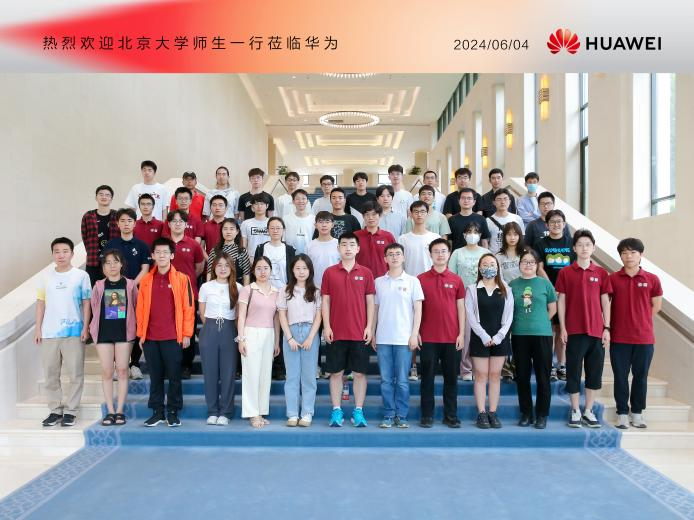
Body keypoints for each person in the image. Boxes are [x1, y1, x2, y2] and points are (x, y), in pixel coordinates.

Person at [556, 229, 612, 428]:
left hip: (596, 331)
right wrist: (563, 328)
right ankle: (575, 410)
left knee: (594, 373)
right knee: (573, 371)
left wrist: (607, 328)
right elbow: (561, 301)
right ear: (574, 248)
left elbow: (605, 302)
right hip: (574, 330)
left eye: (588, 244)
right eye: (580, 245)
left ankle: (588, 410)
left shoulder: (601, 273)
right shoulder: (565, 272)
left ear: (593, 248)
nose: (584, 248)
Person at [136, 238, 195, 428]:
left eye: (165, 252)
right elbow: (140, 310)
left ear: (172, 255)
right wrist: (141, 335)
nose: (161, 256)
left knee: (174, 377)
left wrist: (186, 333)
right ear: (152, 255)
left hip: (173, 337)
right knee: (155, 377)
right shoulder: (146, 280)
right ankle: (157, 412)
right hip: (151, 337)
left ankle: (173, 411)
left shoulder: (182, 279)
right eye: (158, 252)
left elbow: (188, 307)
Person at [35, 237, 91, 427]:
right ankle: (55, 410)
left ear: (72, 254)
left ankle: (71, 411)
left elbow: (86, 303)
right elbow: (41, 304)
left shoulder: (81, 276)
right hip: (49, 333)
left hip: (74, 332)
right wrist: (38, 329)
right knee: (51, 374)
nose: (61, 255)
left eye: (65, 251)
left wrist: (85, 327)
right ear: (53, 254)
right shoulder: (45, 277)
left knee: (75, 374)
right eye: (57, 251)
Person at [322, 233, 376, 427]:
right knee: (336, 373)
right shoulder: (329, 272)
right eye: (344, 244)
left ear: (358, 249)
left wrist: (369, 326)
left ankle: (358, 411)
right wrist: (327, 326)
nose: (347, 248)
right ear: (338, 248)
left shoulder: (366, 273)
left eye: (352, 244)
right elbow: (325, 301)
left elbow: (370, 302)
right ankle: (336, 410)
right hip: (336, 332)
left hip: (359, 332)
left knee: (360, 373)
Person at [609, 238, 663, 429]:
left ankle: (637, 413)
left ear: (641, 255)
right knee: (620, 376)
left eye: (632, 252)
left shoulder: (652, 279)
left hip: (644, 338)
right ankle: (622, 413)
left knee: (641, 376)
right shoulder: (612, 279)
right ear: (620, 256)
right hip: (619, 337)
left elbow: (657, 306)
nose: (628, 256)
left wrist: (641, 320)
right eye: (624, 253)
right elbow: (605, 304)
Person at [372, 243, 424, 428]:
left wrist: (414, 334)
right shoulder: (379, 282)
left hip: (404, 338)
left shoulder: (412, 281)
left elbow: (418, 309)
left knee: (402, 381)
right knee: (386, 380)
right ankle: (388, 414)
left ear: (403, 257)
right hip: (383, 338)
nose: (394, 257)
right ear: (385, 259)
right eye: (390, 254)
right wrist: (372, 332)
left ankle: (402, 415)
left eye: (398, 254)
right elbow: (375, 309)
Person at [418, 238, 466, 428]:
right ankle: (427, 415)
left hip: (452, 338)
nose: (440, 254)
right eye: (436, 251)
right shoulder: (420, 279)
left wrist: (461, 334)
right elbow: (416, 309)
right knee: (427, 379)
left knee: (451, 380)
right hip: (428, 338)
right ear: (430, 254)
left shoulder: (456, 279)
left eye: (443, 251)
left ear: (449, 254)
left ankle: (450, 416)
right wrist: (417, 331)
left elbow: (461, 308)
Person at [89, 250, 138, 426]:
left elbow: (136, 305)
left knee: (123, 370)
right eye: (108, 263)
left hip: (124, 333)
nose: (112, 266)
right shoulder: (98, 286)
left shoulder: (130, 285)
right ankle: (110, 411)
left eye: (115, 262)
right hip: (103, 333)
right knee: (107, 371)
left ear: (121, 264)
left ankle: (120, 411)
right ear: (103, 267)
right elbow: (94, 307)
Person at [509, 249, 557, 429]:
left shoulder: (545, 284)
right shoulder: (512, 285)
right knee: (522, 376)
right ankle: (526, 413)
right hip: (519, 335)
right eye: (524, 261)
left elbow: (552, 309)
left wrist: (540, 321)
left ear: (537, 265)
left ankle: (542, 415)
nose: (528, 265)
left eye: (531, 262)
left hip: (542, 335)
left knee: (543, 376)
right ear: (519, 264)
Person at [465, 254, 514, 429]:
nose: (488, 267)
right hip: (480, 338)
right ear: (479, 268)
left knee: (494, 375)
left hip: (500, 338)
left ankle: (493, 412)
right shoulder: (472, 289)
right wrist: (484, 336)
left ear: (497, 267)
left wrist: (500, 336)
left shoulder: (506, 289)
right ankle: (481, 413)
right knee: (480, 375)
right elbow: (470, 316)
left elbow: (509, 316)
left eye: (492, 264)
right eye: (485, 264)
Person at [277, 255, 322, 427]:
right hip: (291, 332)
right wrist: (289, 338)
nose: (301, 272)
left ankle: (307, 413)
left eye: (304, 268)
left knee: (309, 376)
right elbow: (282, 315)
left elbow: (319, 316)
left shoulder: (316, 291)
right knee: (292, 376)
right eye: (297, 268)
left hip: (311, 332)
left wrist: (311, 337)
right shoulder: (285, 291)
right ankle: (292, 413)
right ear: (292, 270)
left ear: (310, 270)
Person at [237, 257, 281, 428]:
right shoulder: (248, 290)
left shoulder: (277, 292)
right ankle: (252, 413)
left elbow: (276, 319)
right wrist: (241, 339)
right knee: (251, 374)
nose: (262, 272)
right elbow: (241, 316)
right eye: (259, 268)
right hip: (251, 333)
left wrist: (276, 341)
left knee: (265, 375)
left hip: (269, 334)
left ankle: (261, 411)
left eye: (266, 268)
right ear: (253, 271)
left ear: (271, 270)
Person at [198, 253, 242, 426]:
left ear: (231, 268)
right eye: (219, 265)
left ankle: (226, 412)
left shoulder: (238, 287)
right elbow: (202, 313)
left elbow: (238, 315)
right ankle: (212, 411)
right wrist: (212, 327)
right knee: (210, 373)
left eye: (226, 265)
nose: (223, 269)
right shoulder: (206, 287)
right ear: (214, 268)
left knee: (228, 373)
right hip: (209, 329)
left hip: (229, 330)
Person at [534, 209, 576, 382]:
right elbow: (539, 268)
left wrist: (563, 288)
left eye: (559, 221)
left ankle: (562, 365)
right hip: (547, 292)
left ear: (564, 224)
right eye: (552, 222)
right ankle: (550, 365)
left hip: (567, 293)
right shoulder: (540, 243)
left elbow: (575, 268)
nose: (556, 224)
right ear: (547, 225)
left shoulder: (572, 243)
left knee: (562, 329)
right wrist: (552, 288)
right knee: (549, 329)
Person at [449, 222, 492, 381]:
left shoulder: (486, 252)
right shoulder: (457, 253)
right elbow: (452, 276)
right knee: (466, 334)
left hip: (484, 296)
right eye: (469, 231)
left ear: (480, 235)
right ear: (464, 235)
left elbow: (493, 274)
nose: (472, 234)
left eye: (475, 231)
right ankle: (466, 369)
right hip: (463, 298)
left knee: (483, 333)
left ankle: (480, 368)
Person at [166, 210, 205, 380]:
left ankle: (186, 365)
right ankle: (170, 365)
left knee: (187, 330)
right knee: (169, 330)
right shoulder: (163, 244)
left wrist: (185, 282)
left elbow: (199, 267)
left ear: (185, 224)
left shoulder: (193, 244)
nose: (177, 224)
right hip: (166, 294)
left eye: (181, 221)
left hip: (189, 294)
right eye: (174, 221)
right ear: (169, 224)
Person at [81, 185, 119, 286]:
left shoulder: (117, 215)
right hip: (93, 261)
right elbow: (85, 237)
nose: (104, 197)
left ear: (111, 198)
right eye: (101, 194)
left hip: (113, 262)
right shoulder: (88, 216)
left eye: (107, 195)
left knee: (113, 291)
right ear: (96, 197)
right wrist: (91, 252)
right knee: (93, 290)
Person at [103, 208, 151, 286]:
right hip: (115, 288)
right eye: (122, 221)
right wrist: (118, 284)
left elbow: (145, 269)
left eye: (129, 221)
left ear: (134, 224)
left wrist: (132, 285)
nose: (126, 224)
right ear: (118, 224)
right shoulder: (110, 245)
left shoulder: (142, 245)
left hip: (137, 288)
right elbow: (105, 267)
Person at [398, 201, 440, 277]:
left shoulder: (436, 238)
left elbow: (439, 261)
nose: (419, 215)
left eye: (422, 211)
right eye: (416, 212)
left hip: (431, 279)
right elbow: (400, 263)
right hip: (410, 279)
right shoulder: (402, 239)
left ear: (427, 214)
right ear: (411, 214)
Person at [355, 201, 395, 277]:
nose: (370, 218)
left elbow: (394, 259)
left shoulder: (388, 236)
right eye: (367, 214)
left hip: (383, 278)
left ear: (380, 215)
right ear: (363, 216)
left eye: (374, 214)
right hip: (360, 278)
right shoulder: (355, 236)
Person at [206, 218, 251, 286]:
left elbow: (246, 275)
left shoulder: (242, 251)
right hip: (218, 287)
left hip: (237, 287)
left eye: (231, 229)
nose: (228, 232)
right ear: (221, 231)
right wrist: (208, 288)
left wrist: (245, 291)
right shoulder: (214, 251)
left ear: (237, 231)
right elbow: (209, 272)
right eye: (225, 229)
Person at [486, 189, 525, 255]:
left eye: (505, 199)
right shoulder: (488, 221)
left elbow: (522, 239)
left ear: (510, 201)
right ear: (494, 202)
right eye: (499, 199)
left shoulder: (517, 219)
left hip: (514, 256)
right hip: (495, 257)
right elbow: (486, 242)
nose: (502, 202)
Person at [306, 212, 340, 288]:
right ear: (315, 225)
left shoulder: (339, 244)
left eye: (327, 222)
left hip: (335, 286)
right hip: (314, 287)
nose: (324, 225)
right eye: (320, 222)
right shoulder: (309, 245)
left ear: (332, 225)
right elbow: (306, 268)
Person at [240, 192, 271, 261]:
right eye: (256, 204)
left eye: (262, 204)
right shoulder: (246, 223)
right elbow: (244, 244)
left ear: (267, 206)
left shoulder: (272, 223)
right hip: (251, 258)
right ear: (252, 207)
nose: (259, 206)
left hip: (269, 258)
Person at [283, 189, 315, 254]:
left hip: (309, 254)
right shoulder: (286, 219)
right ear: (293, 201)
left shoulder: (314, 219)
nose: (301, 201)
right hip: (291, 254)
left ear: (307, 201)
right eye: (297, 199)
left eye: (303, 198)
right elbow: (283, 239)